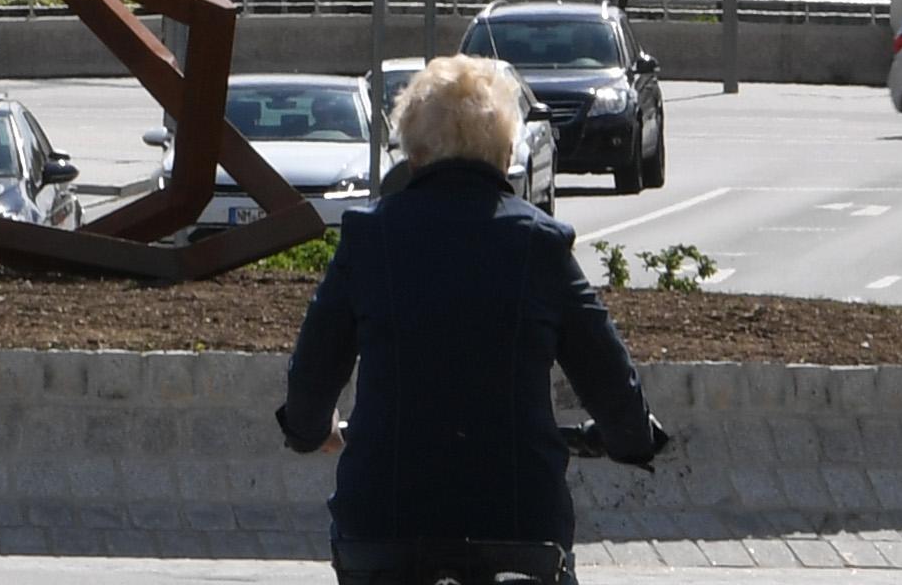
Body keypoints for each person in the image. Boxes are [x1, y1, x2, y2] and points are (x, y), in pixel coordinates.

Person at [274, 52, 665, 582]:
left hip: (384, 523)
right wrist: (631, 439)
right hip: (517, 524)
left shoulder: (370, 237)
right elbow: (609, 378)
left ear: (413, 156)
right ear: (505, 156)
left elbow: (312, 374)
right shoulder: (540, 244)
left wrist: (310, 429)